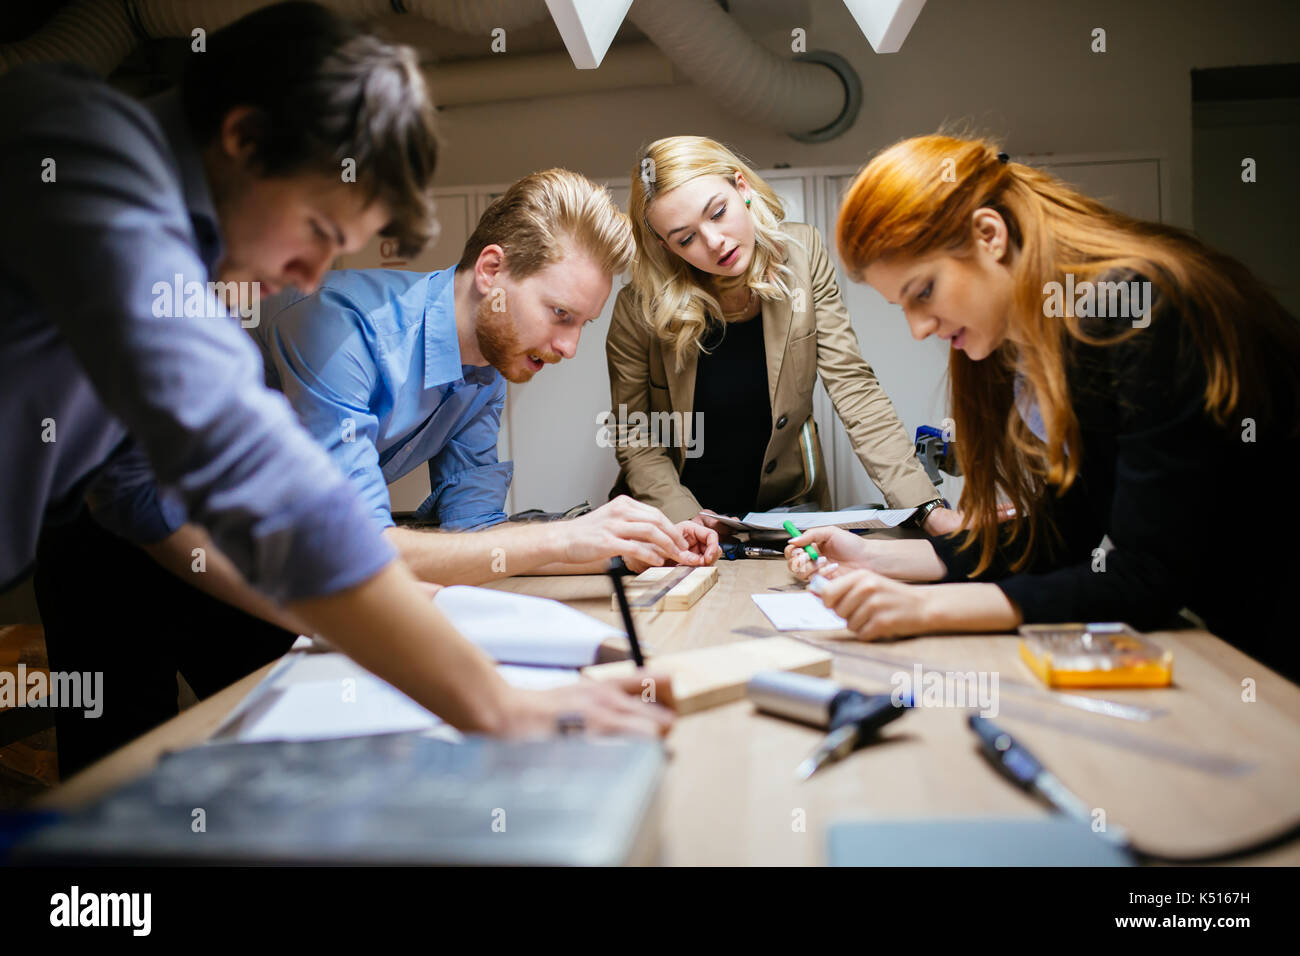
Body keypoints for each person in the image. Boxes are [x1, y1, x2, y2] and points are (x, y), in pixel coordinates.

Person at [5, 3, 668, 777]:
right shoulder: (81, 152)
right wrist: (495, 703)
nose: (314, 276)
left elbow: (145, 496)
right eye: (319, 228)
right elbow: (264, 478)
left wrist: (430, 654)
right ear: (244, 140)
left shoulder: (180, 261)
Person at [787, 133, 1300, 680]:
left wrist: (928, 609)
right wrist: (880, 560)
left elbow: (1145, 575)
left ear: (990, 236)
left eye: (924, 292)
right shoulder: (1041, 336)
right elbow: (1064, 532)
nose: (919, 329)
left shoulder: (1142, 306)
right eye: (901, 307)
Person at [254, 169, 721, 586]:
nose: (569, 347)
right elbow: (359, 549)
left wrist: (625, 549)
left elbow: (475, 535)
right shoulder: (338, 327)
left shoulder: (485, 368)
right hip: (202, 547)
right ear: (491, 270)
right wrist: (565, 535)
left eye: (582, 323)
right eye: (560, 313)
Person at [606, 135, 960, 535]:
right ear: (665, 246)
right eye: (686, 238)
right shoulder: (638, 308)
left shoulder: (804, 256)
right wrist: (686, 517)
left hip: (787, 512)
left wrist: (925, 506)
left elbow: (854, 388)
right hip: (680, 521)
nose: (714, 241)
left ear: (742, 188)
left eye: (718, 213)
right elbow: (634, 432)